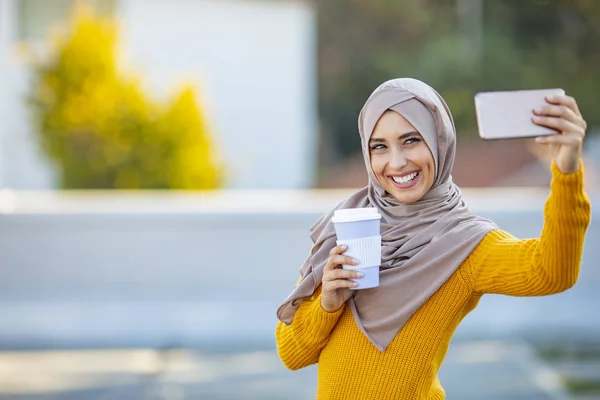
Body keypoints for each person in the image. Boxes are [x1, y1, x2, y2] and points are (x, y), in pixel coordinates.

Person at [275, 78, 591, 399]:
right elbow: (292, 354)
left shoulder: (464, 242)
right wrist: (327, 305)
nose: (396, 162)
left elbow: (552, 273)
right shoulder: (346, 223)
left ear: (439, 140)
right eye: (379, 146)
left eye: (411, 140)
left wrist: (566, 171)